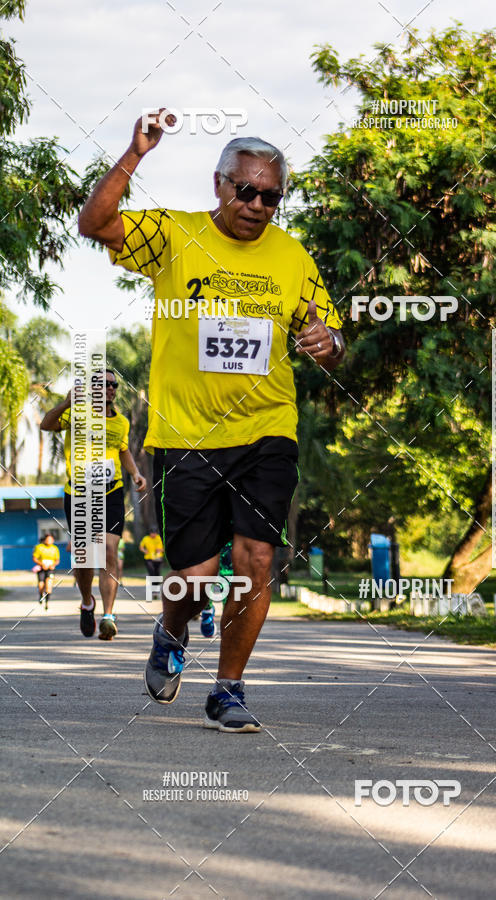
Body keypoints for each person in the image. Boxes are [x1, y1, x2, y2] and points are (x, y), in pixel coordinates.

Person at [78, 115, 345, 732]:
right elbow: (95, 224)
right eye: (245, 191)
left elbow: (331, 338)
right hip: (188, 435)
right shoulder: (174, 234)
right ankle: (171, 632)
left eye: (271, 197)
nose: (256, 206)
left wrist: (327, 341)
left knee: (256, 560)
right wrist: (134, 154)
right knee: (194, 582)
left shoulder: (292, 256)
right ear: (219, 183)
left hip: (267, 427)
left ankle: (228, 689)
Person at [41, 369, 147, 640]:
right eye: (103, 384)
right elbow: (46, 424)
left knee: (109, 551)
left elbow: (123, 450)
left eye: (114, 385)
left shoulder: (122, 422)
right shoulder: (76, 415)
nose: (110, 388)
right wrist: (66, 403)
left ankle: (108, 616)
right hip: (78, 494)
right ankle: (87, 602)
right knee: (84, 556)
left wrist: (135, 473)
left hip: (111, 492)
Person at [33, 534, 60, 609]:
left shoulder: (55, 548)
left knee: (48, 586)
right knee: (41, 585)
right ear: (44, 540)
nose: (49, 541)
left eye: (51, 539)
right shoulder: (39, 547)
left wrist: (53, 565)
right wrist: (42, 564)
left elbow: (57, 560)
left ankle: (47, 603)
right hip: (41, 568)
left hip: (50, 569)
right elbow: (34, 558)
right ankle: (41, 595)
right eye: (47, 539)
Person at [139, 527, 164, 598]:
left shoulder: (159, 538)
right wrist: (145, 551)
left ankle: (156, 591)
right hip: (149, 558)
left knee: (157, 574)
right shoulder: (146, 538)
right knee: (152, 573)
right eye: (152, 533)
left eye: (155, 533)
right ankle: (153, 591)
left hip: (158, 559)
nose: (153, 535)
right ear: (150, 533)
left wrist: (160, 550)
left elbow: (164, 548)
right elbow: (141, 547)